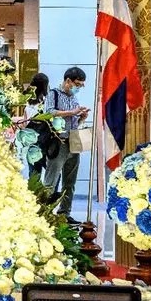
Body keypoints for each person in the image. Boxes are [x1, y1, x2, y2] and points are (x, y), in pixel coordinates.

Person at [43, 66, 90, 217]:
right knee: (51, 181)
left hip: (73, 141)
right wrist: (71, 112)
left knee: (70, 182)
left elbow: (73, 121)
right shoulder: (54, 94)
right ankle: (45, 214)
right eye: (77, 84)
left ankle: (65, 214)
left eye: (81, 86)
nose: (78, 88)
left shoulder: (74, 98)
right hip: (58, 142)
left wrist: (81, 118)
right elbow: (49, 113)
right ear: (68, 81)